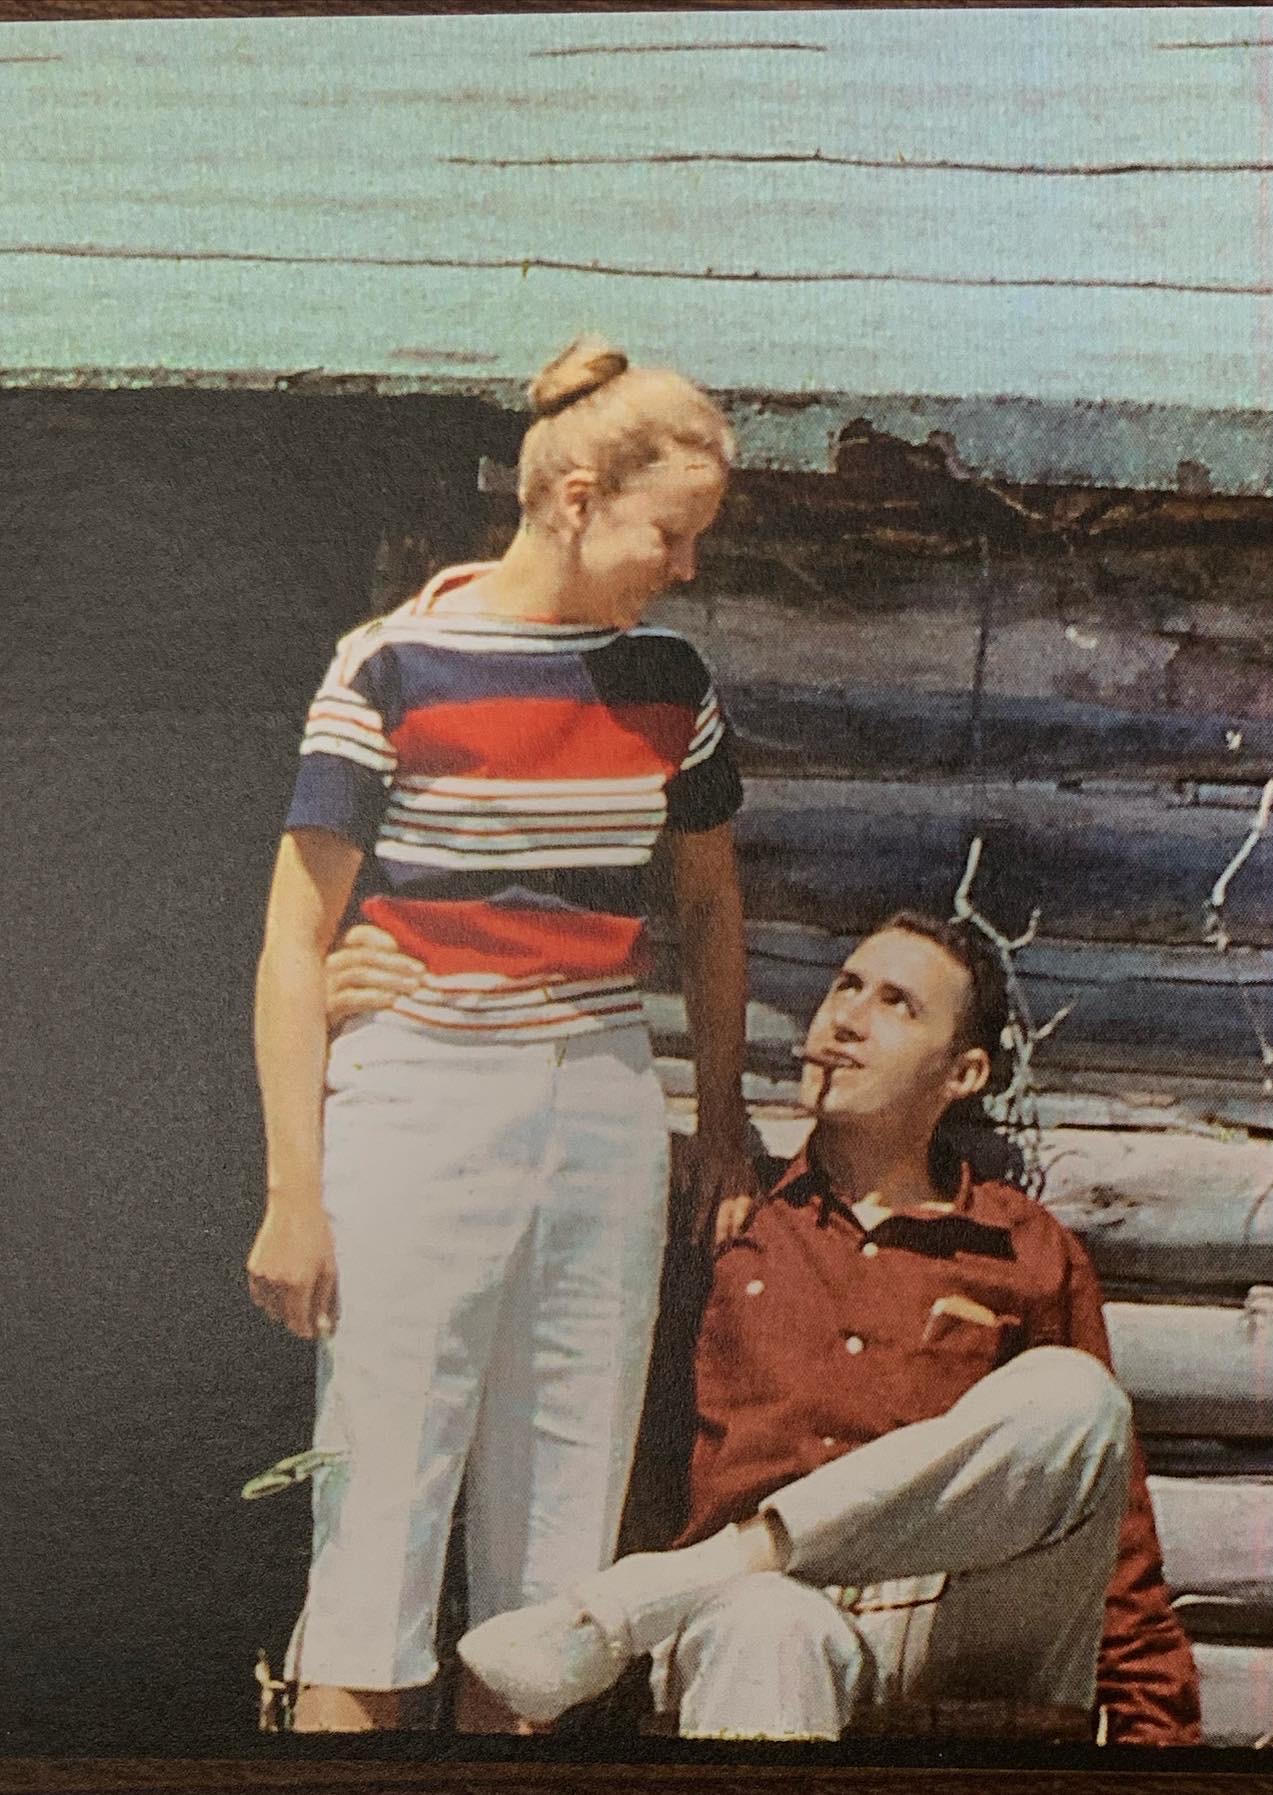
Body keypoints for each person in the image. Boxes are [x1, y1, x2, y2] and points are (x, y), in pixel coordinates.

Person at [327, 912, 1203, 1742]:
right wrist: (365, 1023)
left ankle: (672, 1584)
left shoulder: (1022, 1247)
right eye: (846, 986)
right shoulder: (716, 1207)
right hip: (751, 1626)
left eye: (897, 1004)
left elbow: (1116, 1544)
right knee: (762, 1617)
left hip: (959, 1622)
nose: (849, 1019)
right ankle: (723, 1576)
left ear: (964, 1073)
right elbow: (496, 1179)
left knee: (1078, 1399)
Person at [246, 336, 755, 1732]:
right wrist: (296, 1189)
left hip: (599, 1091)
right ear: (576, 495)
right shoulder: (394, 661)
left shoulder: (669, 676)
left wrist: (719, 1114)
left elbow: (709, 909)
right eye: (672, 532)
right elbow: (296, 936)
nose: (686, 566)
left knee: (555, 1562)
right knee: (375, 1531)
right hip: (418, 1090)